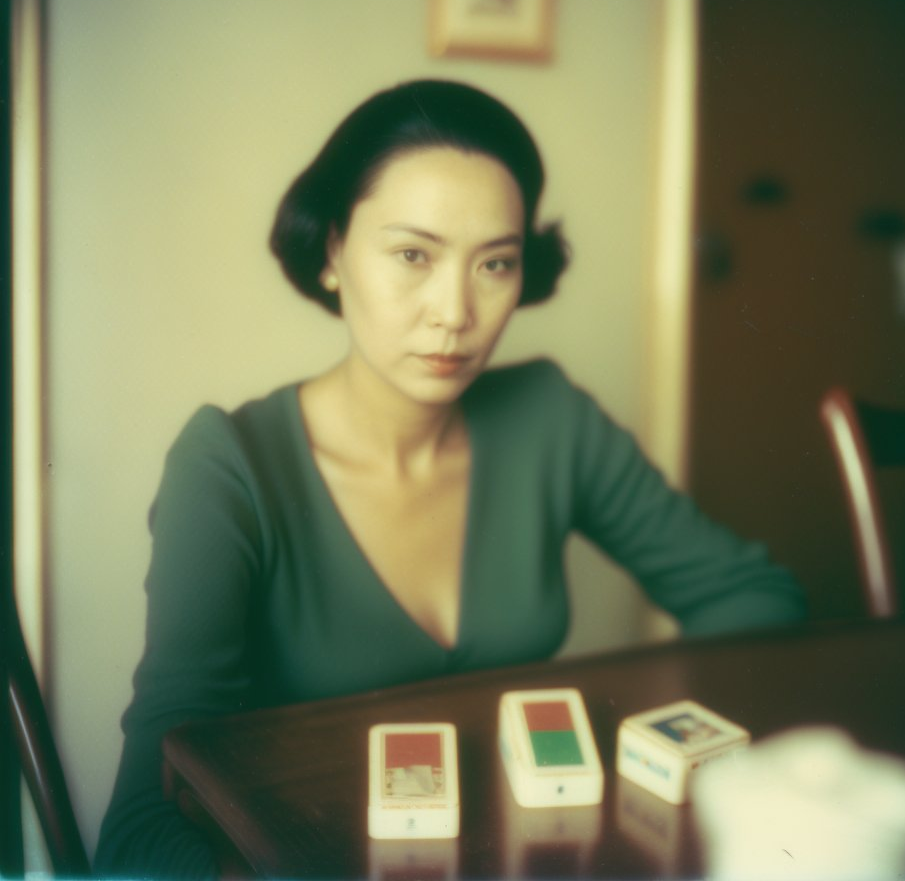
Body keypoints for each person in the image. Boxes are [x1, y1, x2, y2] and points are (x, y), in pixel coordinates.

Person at [94, 79, 805, 877]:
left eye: (495, 263)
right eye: (413, 255)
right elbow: (139, 834)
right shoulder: (229, 467)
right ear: (331, 253)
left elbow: (756, 596)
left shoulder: (548, 417)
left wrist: (629, 747)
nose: (455, 312)